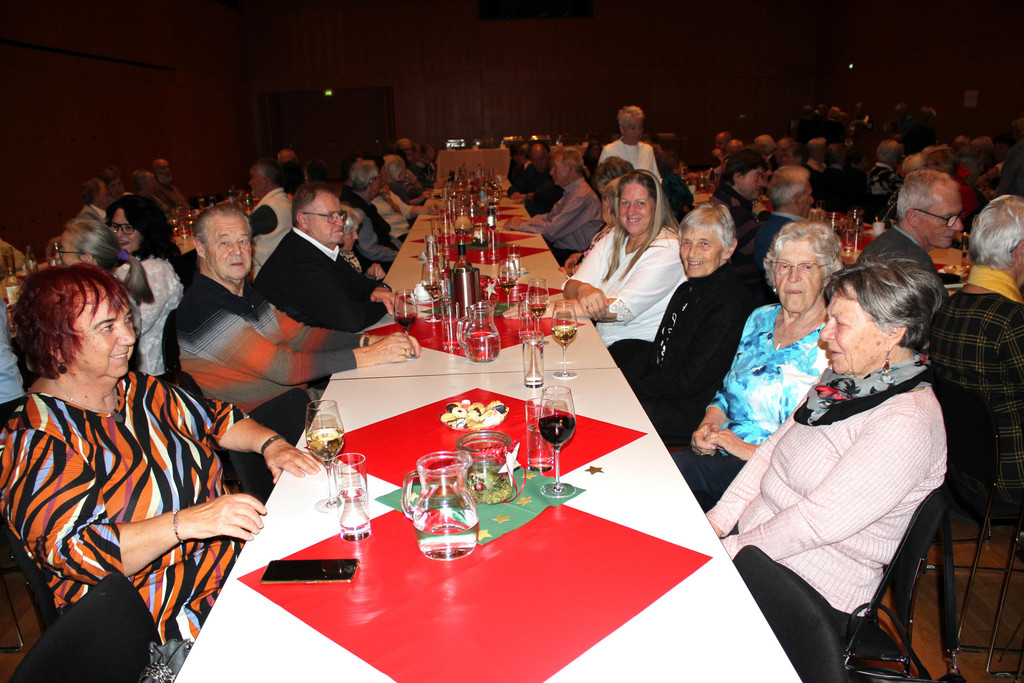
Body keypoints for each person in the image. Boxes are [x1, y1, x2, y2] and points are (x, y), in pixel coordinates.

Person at [0, 265, 320, 641]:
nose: (128, 337)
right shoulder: (35, 440)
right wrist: (185, 523)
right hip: (160, 618)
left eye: (126, 320)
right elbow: (79, 551)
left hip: (235, 569)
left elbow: (218, 418)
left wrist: (271, 445)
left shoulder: (137, 390)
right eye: (107, 327)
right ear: (57, 345)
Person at [707, 259, 946, 633]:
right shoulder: (840, 381)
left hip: (813, 591)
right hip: (758, 552)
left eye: (840, 324)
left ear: (892, 333)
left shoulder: (907, 421)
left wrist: (728, 552)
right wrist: (716, 521)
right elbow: (770, 453)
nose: (825, 334)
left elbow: (816, 523)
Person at [177, 204, 417, 415]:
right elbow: (284, 369)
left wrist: (369, 341)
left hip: (297, 403)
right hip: (269, 425)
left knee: (398, 390)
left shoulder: (244, 294)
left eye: (242, 240)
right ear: (200, 247)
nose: (237, 250)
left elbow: (302, 337)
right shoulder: (203, 309)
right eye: (224, 242)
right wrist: (372, 355)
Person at [677, 221, 840, 510]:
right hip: (720, 451)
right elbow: (727, 391)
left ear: (827, 276)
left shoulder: (834, 341)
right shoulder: (760, 318)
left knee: (670, 477)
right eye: (784, 266)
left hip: (771, 475)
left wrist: (745, 449)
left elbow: (819, 444)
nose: (793, 277)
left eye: (806, 267)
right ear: (772, 273)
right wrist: (708, 426)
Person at [617, 205, 753, 445]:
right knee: (616, 353)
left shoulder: (729, 303)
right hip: (667, 388)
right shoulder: (688, 289)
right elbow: (663, 352)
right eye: (687, 243)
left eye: (704, 244)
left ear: (729, 249)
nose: (692, 253)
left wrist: (631, 386)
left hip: (690, 409)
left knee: (610, 404)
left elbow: (688, 381)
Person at [931, 197, 1024, 509]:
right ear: (1020, 252)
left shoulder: (949, 307)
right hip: (1010, 476)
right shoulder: (1012, 321)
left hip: (960, 473)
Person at [562, 170, 685, 347]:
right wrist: (583, 289)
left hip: (638, 350)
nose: (631, 211)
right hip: (602, 341)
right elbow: (570, 287)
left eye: (640, 203)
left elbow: (618, 309)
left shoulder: (669, 248)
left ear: (656, 206)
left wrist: (547, 310)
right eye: (625, 203)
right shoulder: (615, 236)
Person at [255, 182, 393, 333]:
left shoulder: (318, 247)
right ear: (303, 220)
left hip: (314, 337)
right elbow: (350, 321)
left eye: (340, 215)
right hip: (290, 344)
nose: (340, 223)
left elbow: (356, 284)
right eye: (331, 216)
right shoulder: (299, 261)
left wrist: (378, 289)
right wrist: (384, 304)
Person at [105, 195, 184, 376]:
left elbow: (134, 328)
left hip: (148, 373)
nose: (119, 234)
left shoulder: (153, 271)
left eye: (128, 228)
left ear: (145, 230)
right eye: (115, 226)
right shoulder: (130, 262)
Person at [858, 169, 963, 284]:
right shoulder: (914, 267)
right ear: (913, 217)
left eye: (959, 215)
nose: (959, 226)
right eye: (948, 218)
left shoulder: (882, 245)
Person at [504, 147, 603, 264]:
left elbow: (552, 231)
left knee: (516, 258)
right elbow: (550, 217)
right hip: (563, 251)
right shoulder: (572, 192)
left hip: (572, 258)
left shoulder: (582, 196)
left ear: (569, 169)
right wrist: (524, 222)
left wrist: (522, 225)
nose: (551, 173)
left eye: (555, 167)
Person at [710, 148, 770, 304]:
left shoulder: (723, 197)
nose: (762, 183)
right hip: (743, 289)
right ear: (738, 177)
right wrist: (764, 215)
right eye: (757, 176)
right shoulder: (733, 208)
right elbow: (761, 248)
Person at [559, 157, 634, 277]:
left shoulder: (627, 232)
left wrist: (576, 271)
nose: (605, 203)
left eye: (605, 195)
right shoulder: (611, 226)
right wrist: (580, 256)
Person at [340, 159, 401, 271]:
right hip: (378, 268)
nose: (381, 181)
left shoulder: (364, 203)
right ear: (371, 182)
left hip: (388, 257)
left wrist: (403, 249)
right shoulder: (358, 210)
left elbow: (385, 236)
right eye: (378, 178)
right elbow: (371, 250)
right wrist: (400, 255)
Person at [754, 165, 814, 273]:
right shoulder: (799, 236)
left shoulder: (763, 230)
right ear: (797, 198)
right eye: (809, 195)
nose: (812, 200)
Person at [248, 158, 293, 275]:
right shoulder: (286, 202)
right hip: (284, 269)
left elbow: (240, 234)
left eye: (253, 177)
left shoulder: (267, 209)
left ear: (265, 181)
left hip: (266, 275)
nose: (250, 182)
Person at [598, 105, 660, 180]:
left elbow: (656, 178)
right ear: (622, 128)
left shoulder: (647, 150)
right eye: (633, 128)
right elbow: (601, 180)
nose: (637, 132)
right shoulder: (609, 150)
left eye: (640, 127)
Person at [507, 141, 563, 216]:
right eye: (535, 160)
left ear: (548, 155)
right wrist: (515, 193)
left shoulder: (555, 171)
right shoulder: (531, 168)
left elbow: (548, 196)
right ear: (531, 159)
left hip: (544, 215)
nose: (539, 163)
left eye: (541, 159)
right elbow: (514, 187)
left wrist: (527, 198)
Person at [867, 139, 903, 222]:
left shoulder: (872, 171)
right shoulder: (891, 175)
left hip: (870, 213)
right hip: (883, 217)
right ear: (896, 156)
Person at [657, 147, 693, 222]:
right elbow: (689, 199)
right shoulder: (676, 179)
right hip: (677, 217)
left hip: (662, 217)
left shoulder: (656, 179)